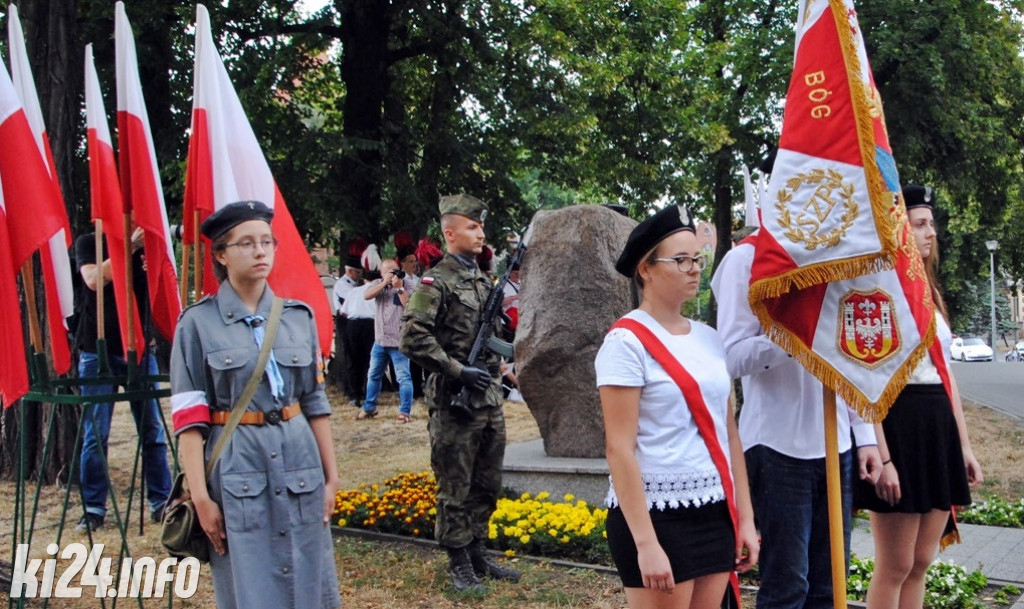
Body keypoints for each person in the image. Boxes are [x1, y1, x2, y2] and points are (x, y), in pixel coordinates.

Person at [170, 201, 341, 609]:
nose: (261, 251)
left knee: (310, 575)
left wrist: (331, 477)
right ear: (221, 254)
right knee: (249, 581)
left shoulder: (298, 317)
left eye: (267, 242)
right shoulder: (196, 324)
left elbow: (315, 403)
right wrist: (200, 496)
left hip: (300, 458)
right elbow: (190, 422)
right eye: (246, 243)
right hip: (237, 463)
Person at [711, 224, 882, 609]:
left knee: (831, 584)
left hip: (835, 445)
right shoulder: (747, 259)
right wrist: (793, 339)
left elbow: (850, 354)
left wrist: (864, 433)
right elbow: (732, 357)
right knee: (788, 587)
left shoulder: (836, 256)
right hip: (776, 445)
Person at [596, 204, 759, 609]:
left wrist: (746, 519)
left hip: (714, 509)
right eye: (680, 259)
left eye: (697, 259)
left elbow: (729, 435)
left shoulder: (709, 338)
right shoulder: (626, 342)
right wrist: (646, 543)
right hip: (656, 517)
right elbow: (619, 448)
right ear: (646, 270)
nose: (694, 268)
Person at [853, 185, 982, 609]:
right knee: (895, 564)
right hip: (898, 423)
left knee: (923, 559)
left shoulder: (928, 291)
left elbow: (947, 377)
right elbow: (865, 377)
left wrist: (962, 445)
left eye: (932, 224)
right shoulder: (878, 290)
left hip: (936, 423)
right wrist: (883, 455)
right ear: (898, 229)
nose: (931, 233)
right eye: (920, 224)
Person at [401, 194, 521, 592]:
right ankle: (458, 562)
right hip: (455, 398)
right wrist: (457, 370)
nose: (480, 233)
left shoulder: (484, 279)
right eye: (472, 227)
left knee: (488, 480)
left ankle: (477, 552)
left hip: (488, 396)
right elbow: (413, 337)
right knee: (456, 483)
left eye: (481, 226)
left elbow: (496, 336)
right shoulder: (437, 281)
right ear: (450, 233)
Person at [73, 229, 172, 532]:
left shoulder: (149, 242)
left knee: (152, 430)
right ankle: (93, 508)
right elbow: (93, 280)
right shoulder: (90, 242)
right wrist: (128, 246)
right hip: (97, 349)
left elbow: (164, 283)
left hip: (140, 349)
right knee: (96, 434)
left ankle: (162, 502)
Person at [359, 258, 418, 422]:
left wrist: (399, 288)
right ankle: (369, 407)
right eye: (387, 272)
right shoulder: (378, 284)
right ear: (382, 273)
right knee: (373, 375)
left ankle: (405, 412)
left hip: (398, 342)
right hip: (380, 340)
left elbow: (411, 307)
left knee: (403, 378)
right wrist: (384, 283)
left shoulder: (406, 284)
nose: (391, 274)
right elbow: (366, 295)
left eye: (394, 270)